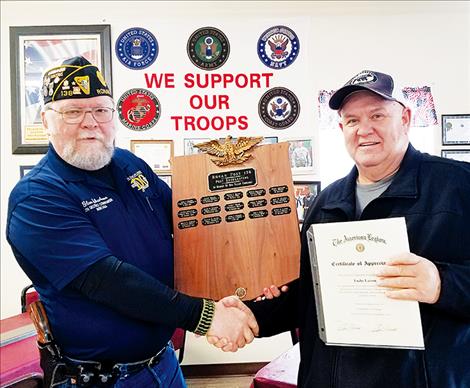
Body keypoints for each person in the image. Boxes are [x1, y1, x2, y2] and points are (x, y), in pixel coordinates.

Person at [6, 56, 257, 388]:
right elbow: (107, 280)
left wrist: (248, 276)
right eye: (72, 111)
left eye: (100, 110)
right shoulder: (36, 197)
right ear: (46, 120)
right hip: (100, 378)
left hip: (163, 363)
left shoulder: (127, 163)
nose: (90, 122)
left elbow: (190, 221)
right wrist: (207, 316)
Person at [218, 70, 470, 387]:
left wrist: (442, 284)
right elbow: (310, 296)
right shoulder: (326, 202)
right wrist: (253, 315)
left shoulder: (459, 186)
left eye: (377, 115)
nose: (364, 129)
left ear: (405, 118)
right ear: (341, 128)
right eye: (352, 120)